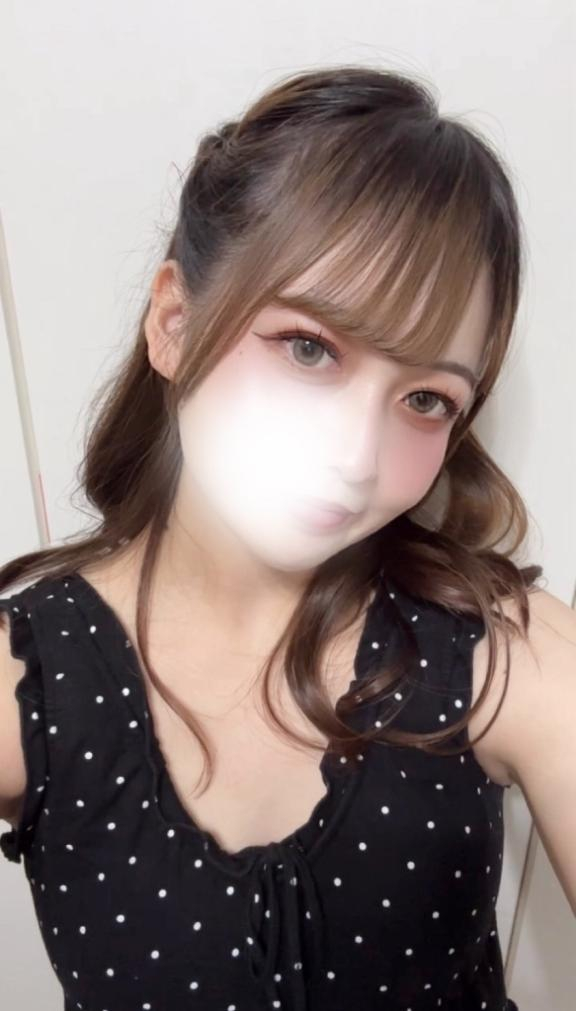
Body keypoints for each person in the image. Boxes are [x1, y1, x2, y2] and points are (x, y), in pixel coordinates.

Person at [1, 64, 573, 1011]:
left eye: (426, 399)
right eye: (309, 347)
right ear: (174, 322)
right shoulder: (31, 678)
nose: (355, 458)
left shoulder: (508, 653)